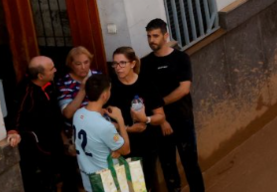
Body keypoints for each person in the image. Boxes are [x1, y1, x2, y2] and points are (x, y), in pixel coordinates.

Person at [145, 19, 205, 192]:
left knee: (190, 163)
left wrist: (160, 103)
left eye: (155, 36)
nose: (151, 40)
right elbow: (148, 95)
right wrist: (162, 120)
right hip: (160, 123)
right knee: (168, 165)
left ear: (165, 36)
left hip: (183, 119)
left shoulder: (181, 58)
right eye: (149, 36)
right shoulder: (146, 64)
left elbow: (184, 89)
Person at [8, 55, 70, 192]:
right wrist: (13, 132)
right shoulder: (25, 91)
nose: (55, 70)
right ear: (40, 76)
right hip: (39, 147)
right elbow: (16, 113)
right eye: (51, 69)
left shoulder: (50, 86)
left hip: (55, 139)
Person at [109, 46, 168, 187]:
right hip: (123, 146)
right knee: (132, 184)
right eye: (115, 64)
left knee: (149, 181)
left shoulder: (146, 84)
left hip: (148, 143)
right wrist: (129, 129)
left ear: (132, 64)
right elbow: (106, 122)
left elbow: (161, 116)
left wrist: (145, 119)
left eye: (122, 63)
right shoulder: (111, 88)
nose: (118, 67)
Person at [73, 74, 131, 192]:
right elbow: (125, 150)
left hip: (88, 178)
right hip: (108, 181)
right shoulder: (104, 126)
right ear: (105, 95)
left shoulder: (77, 114)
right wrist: (120, 119)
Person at [58, 46, 103, 122]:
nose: (83, 67)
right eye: (78, 64)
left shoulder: (98, 75)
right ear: (71, 65)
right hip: (78, 127)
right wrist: (82, 90)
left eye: (86, 62)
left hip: (99, 122)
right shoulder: (64, 82)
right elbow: (68, 114)